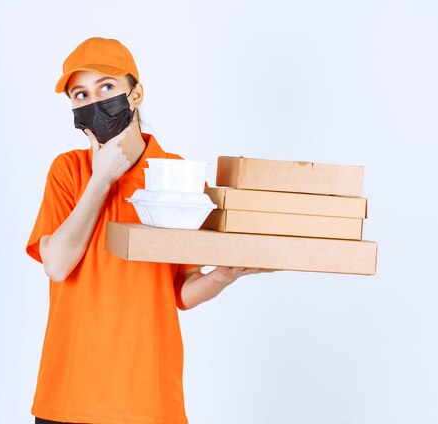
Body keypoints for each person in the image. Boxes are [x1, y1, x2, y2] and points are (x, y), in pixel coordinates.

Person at [25, 36, 275, 424]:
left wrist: (223, 276)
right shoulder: (68, 171)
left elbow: (182, 291)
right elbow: (56, 265)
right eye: (80, 94)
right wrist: (101, 177)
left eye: (106, 87)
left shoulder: (173, 173)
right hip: (68, 395)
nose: (93, 101)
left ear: (136, 93)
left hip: (148, 400)